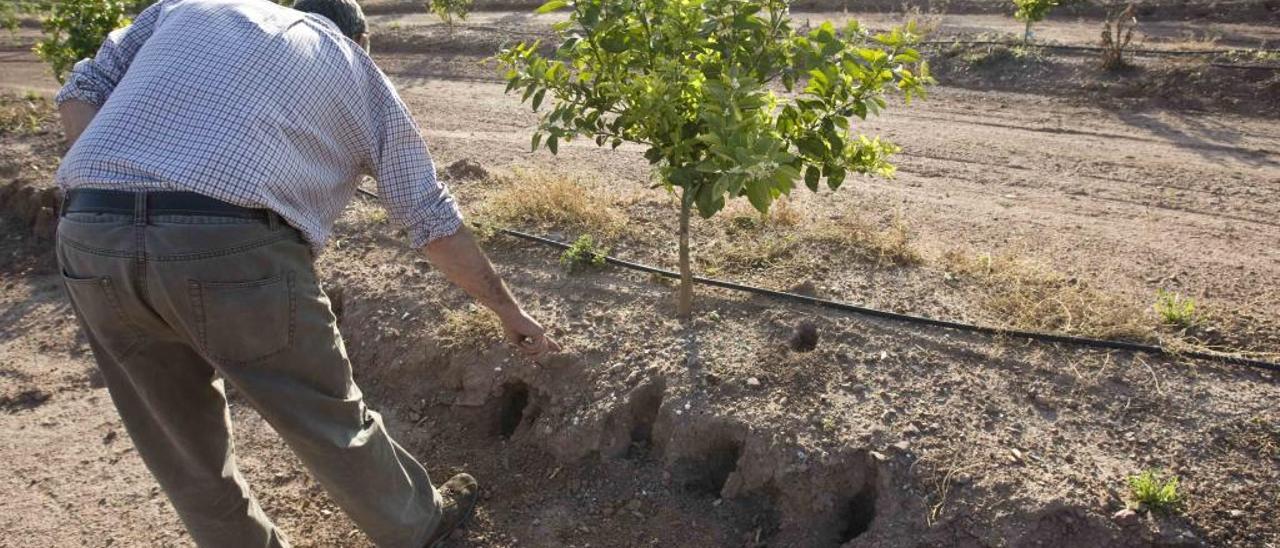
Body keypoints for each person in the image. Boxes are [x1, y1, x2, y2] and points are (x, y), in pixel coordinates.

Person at [52, 0, 560, 546]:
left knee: (176, 439)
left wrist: (119, 185)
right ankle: (418, 526)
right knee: (325, 416)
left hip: (88, 232)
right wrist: (506, 308)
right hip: (230, 243)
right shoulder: (355, 66)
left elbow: (82, 84)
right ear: (360, 39)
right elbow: (430, 216)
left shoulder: (188, 7)